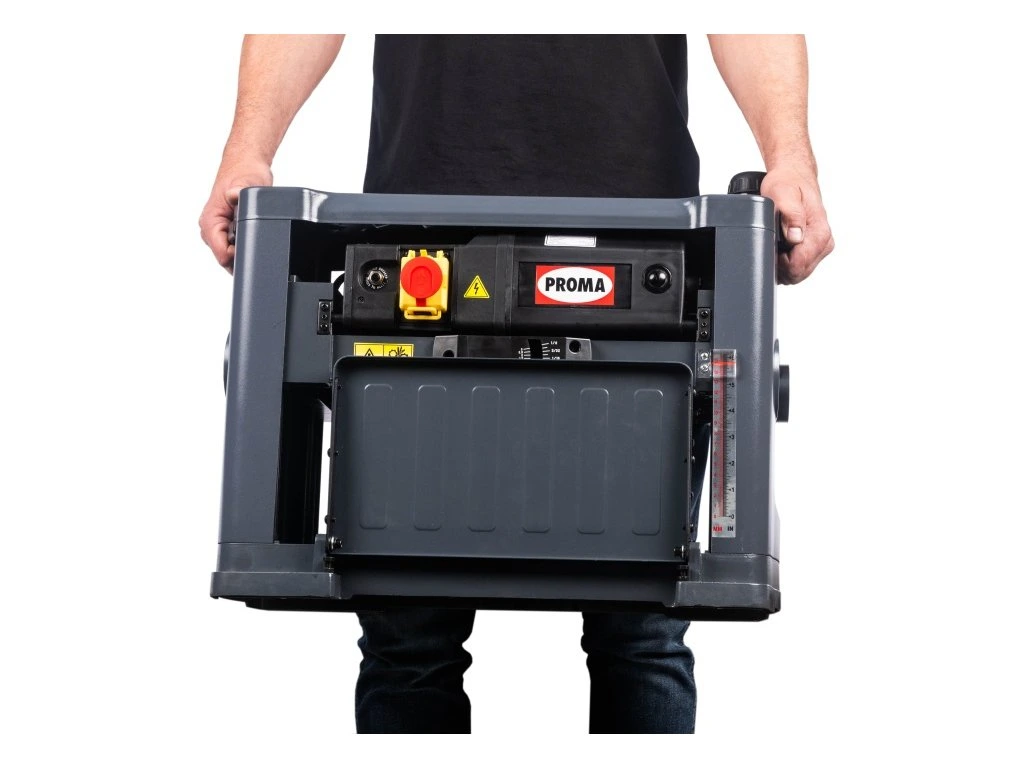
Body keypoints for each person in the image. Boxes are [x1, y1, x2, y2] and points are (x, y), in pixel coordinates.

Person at [199, 34, 834, 734]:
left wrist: (790, 157)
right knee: (408, 636)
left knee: (640, 632)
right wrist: (247, 149)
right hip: (421, 225)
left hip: (641, 235)